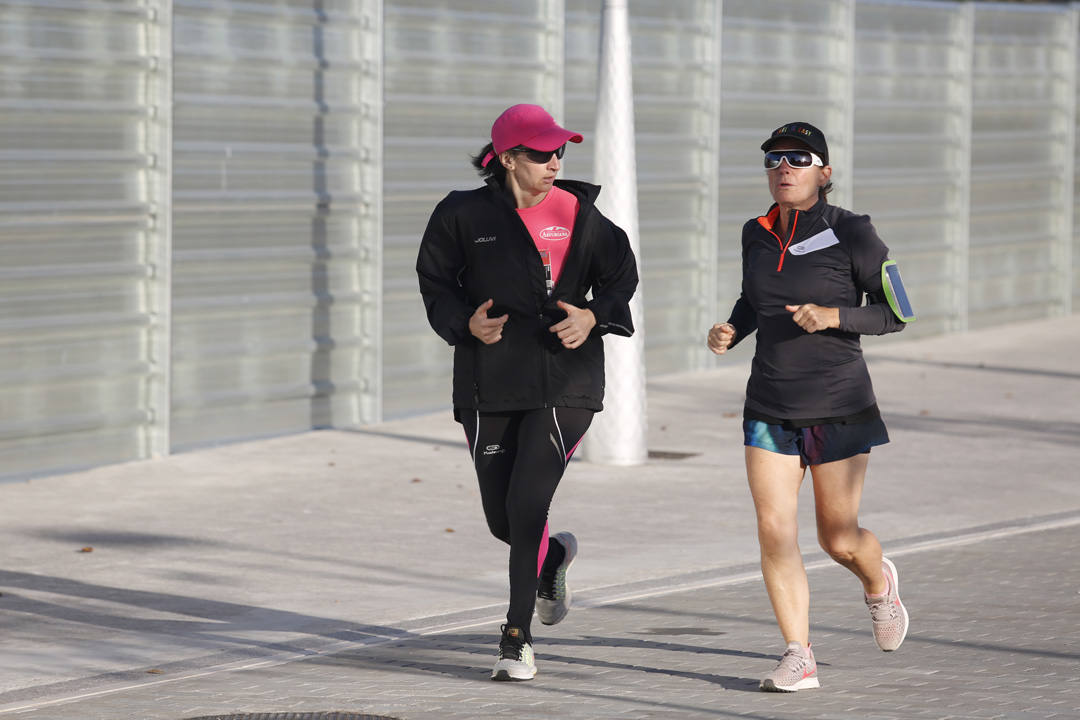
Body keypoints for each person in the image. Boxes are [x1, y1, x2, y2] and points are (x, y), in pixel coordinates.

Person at [416, 104, 638, 681]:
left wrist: (594, 317)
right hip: (488, 380)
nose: (554, 162)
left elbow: (621, 278)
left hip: (567, 378)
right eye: (541, 153)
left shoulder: (581, 215)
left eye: (560, 151)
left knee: (527, 505)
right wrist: (464, 323)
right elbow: (435, 280)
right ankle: (552, 559)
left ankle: (516, 638)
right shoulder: (462, 214)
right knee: (504, 521)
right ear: (508, 157)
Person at [707, 121, 913, 692]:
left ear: (824, 171)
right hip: (769, 403)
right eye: (774, 159)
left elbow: (897, 312)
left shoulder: (853, 231)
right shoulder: (755, 231)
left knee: (837, 538)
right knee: (774, 530)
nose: (784, 169)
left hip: (838, 402)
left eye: (798, 159)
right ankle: (798, 654)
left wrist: (834, 317)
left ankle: (878, 584)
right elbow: (754, 298)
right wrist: (732, 329)